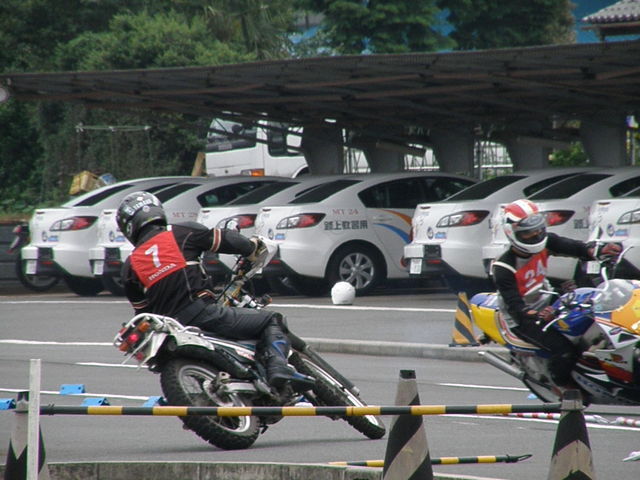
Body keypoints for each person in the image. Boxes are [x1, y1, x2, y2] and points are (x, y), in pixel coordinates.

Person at [116, 191, 314, 392]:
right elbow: (231, 241)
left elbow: (143, 313)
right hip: (202, 314)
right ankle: (278, 368)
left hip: (171, 329)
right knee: (271, 320)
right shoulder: (181, 232)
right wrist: (251, 246)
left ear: (128, 227)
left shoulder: (129, 266)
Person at [492, 198, 621, 389]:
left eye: (538, 229)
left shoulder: (547, 241)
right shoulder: (503, 266)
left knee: (598, 315)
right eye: (528, 232)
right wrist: (534, 314)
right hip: (522, 318)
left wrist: (599, 250)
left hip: (548, 298)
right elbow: (514, 305)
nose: (535, 234)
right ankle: (564, 387)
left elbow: (576, 247)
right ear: (512, 233)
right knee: (565, 350)